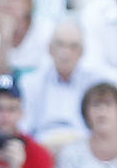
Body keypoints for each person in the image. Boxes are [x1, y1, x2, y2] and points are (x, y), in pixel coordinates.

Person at [24, 19, 112, 149]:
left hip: (84, 148)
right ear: (50, 49)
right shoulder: (31, 82)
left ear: (82, 52)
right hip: (44, 148)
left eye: (73, 46)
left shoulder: (96, 84)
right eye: (60, 45)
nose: (66, 52)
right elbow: (25, 128)